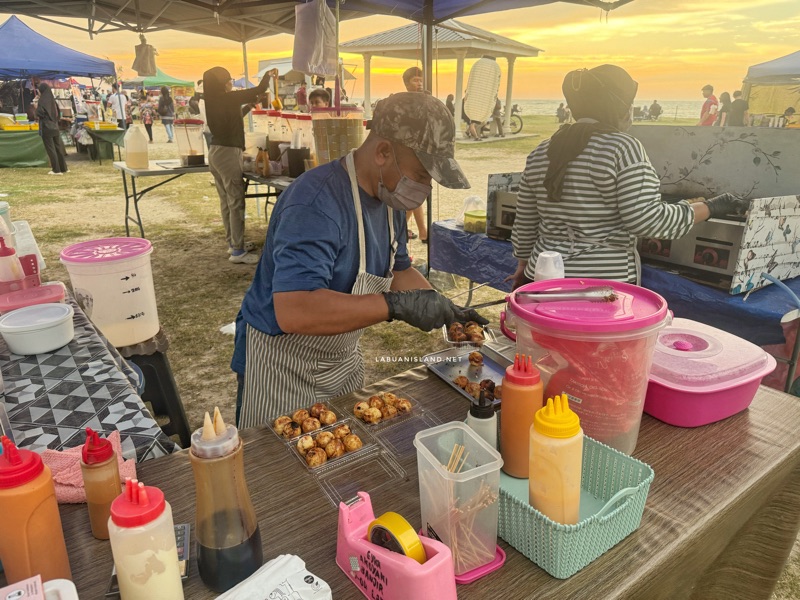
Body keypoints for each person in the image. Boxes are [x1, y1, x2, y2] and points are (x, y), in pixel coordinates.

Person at [232, 92, 484, 427]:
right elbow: (295, 309)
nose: (424, 190)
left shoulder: (389, 199)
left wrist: (440, 305)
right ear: (383, 152)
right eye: (421, 175)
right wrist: (395, 306)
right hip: (283, 363)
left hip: (341, 361)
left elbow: (399, 270)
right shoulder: (315, 204)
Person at [508, 65, 747, 288]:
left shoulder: (542, 150)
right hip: (601, 285)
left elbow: (526, 220)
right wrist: (711, 207)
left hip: (542, 275)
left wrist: (523, 265)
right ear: (617, 105)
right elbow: (646, 220)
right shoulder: (622, 148)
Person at [204, 66, 270, 264]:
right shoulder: (226, 97)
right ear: (222, 82)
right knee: (236, 201)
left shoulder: (215, 99)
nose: (231, 83)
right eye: (229, 79)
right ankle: (238, 251)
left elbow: (233, 118)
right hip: (227, 153)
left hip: (216, 152)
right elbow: (258, 88)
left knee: (226, 202)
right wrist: (268, 76)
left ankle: (233, 243)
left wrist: (250, 106)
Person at [402, 67, 428, 243]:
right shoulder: (403, 102)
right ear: (406, 83)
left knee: (418, 192)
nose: (419, 83)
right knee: (414, 192)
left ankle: (413, 229)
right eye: (415, 80)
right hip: (408, 151)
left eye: (420, 80)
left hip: (423, 150)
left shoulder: (426, 99)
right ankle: (414, 230)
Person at [35, 83, 68, 175]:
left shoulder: (42, 101)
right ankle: (63, 168)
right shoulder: (53, 101)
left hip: (46, 127)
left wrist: (35, 108)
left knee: (51, 149)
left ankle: (56, 170)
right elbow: (58, 113)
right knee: (58, 148)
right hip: (55, 126)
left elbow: (40, 113)